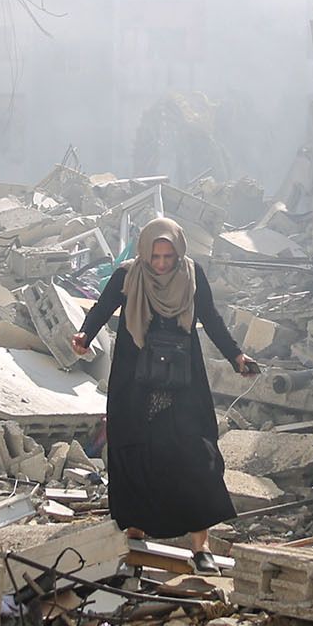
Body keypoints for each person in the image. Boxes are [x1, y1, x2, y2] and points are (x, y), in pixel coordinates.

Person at [71, 217, 258, 556]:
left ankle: (200, 548)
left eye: (167, 257)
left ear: (178, 253)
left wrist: (236, 355)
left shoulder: (192, 275)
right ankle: (136, 535)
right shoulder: (128, 275)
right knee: (135, 454)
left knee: (195, 456)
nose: (160, 264)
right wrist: (85, 335)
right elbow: (102, 308)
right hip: (134, 381)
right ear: (144, 252)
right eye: (154, 257)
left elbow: (211, 318)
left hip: (182, 379)